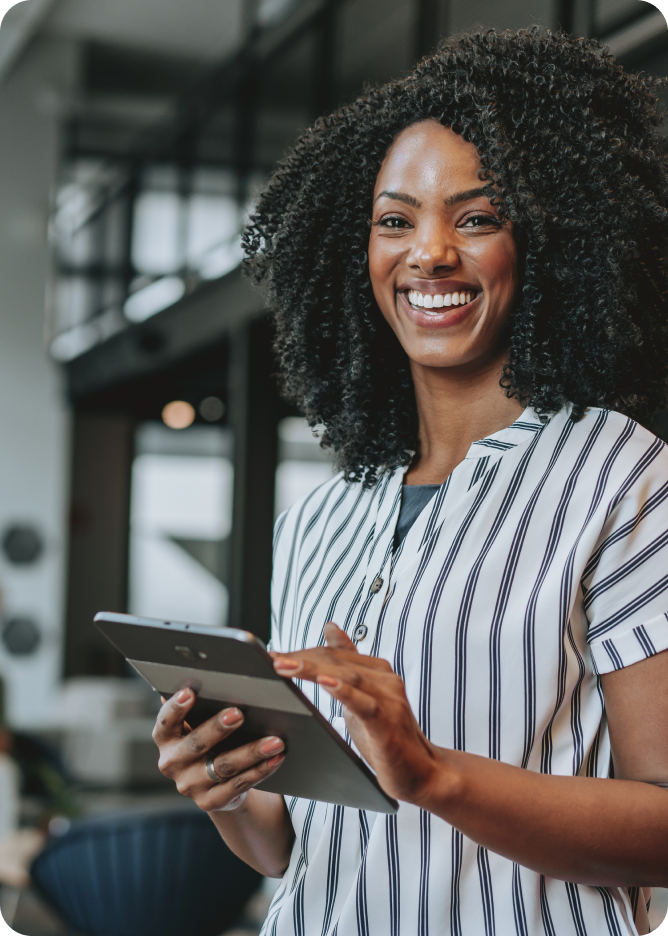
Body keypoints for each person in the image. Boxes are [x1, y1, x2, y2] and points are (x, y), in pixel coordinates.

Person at [152, 28, 668, 935]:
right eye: (396, 220)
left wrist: (432, 775)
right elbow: (288, 844)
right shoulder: (320, 517)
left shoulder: (622, 478)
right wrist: (225, 787)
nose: (429, 253)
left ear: (548, 242)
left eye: (476, 217)